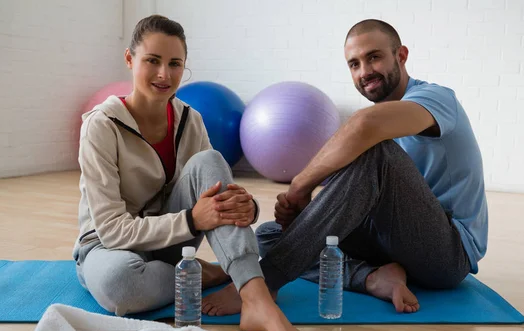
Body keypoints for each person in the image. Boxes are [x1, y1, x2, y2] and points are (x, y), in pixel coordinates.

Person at [203, 19, 488, 315]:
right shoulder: (377, 121)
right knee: (271, 235)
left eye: (374, 57)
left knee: (377, 152)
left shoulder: (437, 99)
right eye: (354, 64)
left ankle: (264, 284)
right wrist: (306, 213)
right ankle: (372, 278)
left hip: (447, 253)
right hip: (393, 243)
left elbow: (365, 126)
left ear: (401, 56)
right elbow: (348, 192)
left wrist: (299, 186)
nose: (365, 71)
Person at [72, 15, 314, 331]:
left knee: (210, 160)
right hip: (108, 246)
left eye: (175, 64)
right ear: (130, 59)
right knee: (121, 285)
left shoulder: (190, 118)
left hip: (170, 242)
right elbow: (112, 230)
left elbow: (214, 183)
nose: (164, 74)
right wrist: (191, 221)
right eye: (152, 61)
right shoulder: (101, 126)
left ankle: (256, 300)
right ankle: (204, 275)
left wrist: (249, 206)